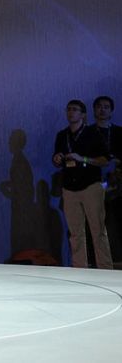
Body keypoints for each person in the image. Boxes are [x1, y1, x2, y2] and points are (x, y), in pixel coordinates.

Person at [52, 99, 112, 269]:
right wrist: (57, 159)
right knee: (75, 233)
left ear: (83, 115)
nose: (71, 112)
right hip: (69, 188)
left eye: (75, 109)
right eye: (69, 109)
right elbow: (57, 158)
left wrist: (83, 159)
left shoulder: (93, 133)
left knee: (97, 231)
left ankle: (106, 269)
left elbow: (105, 160)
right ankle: (79, 269)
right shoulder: (62, 135)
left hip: (90, 186)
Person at [93, 95, 122, 266]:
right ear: (94, 110)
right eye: (99, 106)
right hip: (94, 182)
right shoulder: (88, 132)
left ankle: (118, 261)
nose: (102, 109)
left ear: (111, 111)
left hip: (117, 182)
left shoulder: (119, 132)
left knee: (116, 220)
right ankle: (99, 262)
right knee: (97, 223)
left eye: (106, 107)